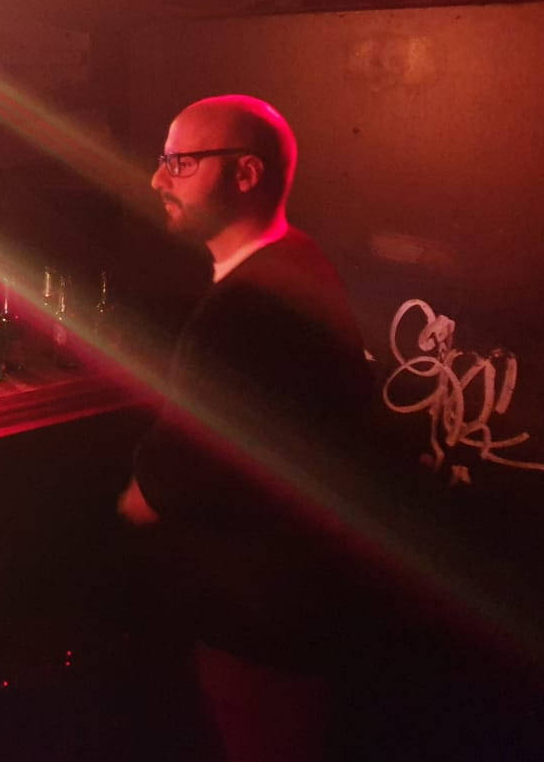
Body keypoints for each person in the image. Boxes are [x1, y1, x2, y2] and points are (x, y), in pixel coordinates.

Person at [118, 95, 375, 762]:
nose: (157, 179)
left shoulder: (245, 308)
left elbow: (172, 479)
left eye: (180, 162)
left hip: (261, 617)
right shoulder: (297, 257)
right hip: (301, 605)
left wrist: (131, 497)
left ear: (246, 174)